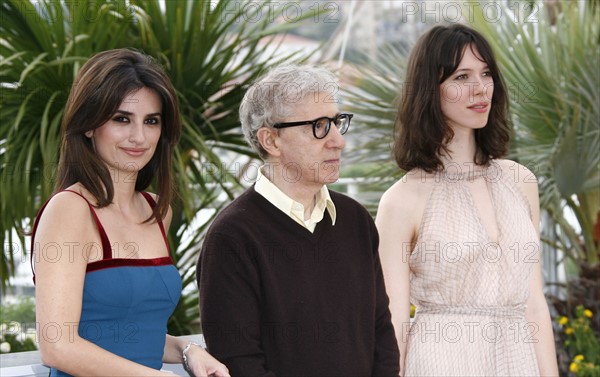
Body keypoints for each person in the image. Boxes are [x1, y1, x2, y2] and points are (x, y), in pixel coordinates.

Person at [31, 48, 229, 377]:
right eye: (121, 119)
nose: (139, 137)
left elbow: (129, 333)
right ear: (89, 125)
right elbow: (57, 346)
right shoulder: (69, 209)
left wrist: (186, 349)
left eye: (151, 121)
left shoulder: (155, 210)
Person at [376, 24, 559, 376]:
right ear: (431, 90)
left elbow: (535, 304)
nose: (480, 89)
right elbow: (395, 323)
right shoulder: (402, 200)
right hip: (441, 362)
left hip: (518, 360)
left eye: (486, 73)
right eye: (461, 76)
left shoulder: (520, 181)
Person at [197, 64, 400, 376]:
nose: (338, 141)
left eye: (337, 123)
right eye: (319, 126)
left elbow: (380, 331)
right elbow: (238, 361)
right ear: (271, 141)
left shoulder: (355, 219)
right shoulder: (233, 236)